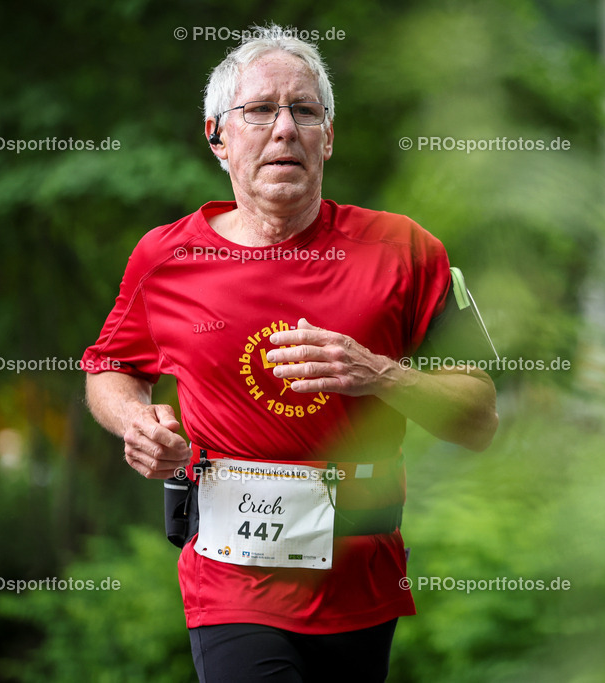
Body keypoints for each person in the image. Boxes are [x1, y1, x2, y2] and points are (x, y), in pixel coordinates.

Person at [82, 24, 498, 682]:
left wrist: (379, 373)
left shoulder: (406, 251)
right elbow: (109, 365)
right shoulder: (166, 257)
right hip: (229, 584)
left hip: (362, 582)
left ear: (328, 137)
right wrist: (136, 420)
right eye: (260, 111)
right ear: (218, 136)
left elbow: (479, 416)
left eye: (305, 110)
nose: (285, 129)